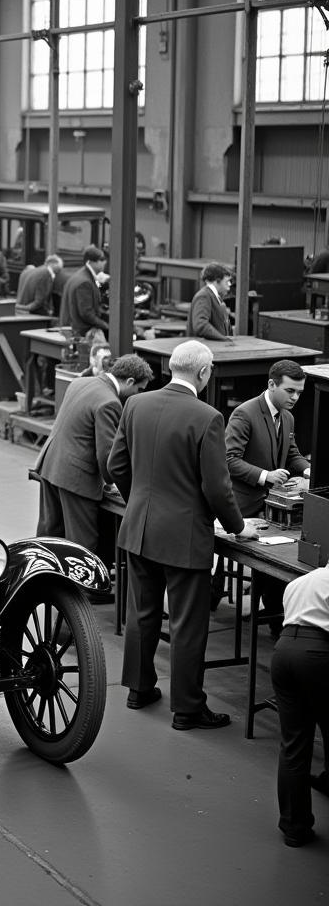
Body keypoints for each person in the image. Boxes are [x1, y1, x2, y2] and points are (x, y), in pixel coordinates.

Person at [107, 340, 259, 728]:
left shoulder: (135, 405)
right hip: (184, 536)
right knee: (187, 625)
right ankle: (187, 708)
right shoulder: (206, 417)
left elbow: (116, 464)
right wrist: (240, 527)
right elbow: (216, 488)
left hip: (139, 528)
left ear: (169, 367)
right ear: (204, 373)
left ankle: (139, 690)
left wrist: (139, 501)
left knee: (141, 613)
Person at [224, 359, 311, 632]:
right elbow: (229, 460)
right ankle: (276, 620)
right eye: (290, 391)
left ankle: (276, 618)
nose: (295, 398)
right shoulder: (244, 414)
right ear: (271, 385)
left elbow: (292, 452)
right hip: (245, 508)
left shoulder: (288, 417)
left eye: (299, 392)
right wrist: (266, 475)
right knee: (270, 563)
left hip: (272, 508)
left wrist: (309, 472)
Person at [35, 354, 153, 553]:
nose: (137, 394)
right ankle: (79, 585)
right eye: (138, 389)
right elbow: (107, 457)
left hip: (50, 465)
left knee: (49, 537)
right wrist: (117, 485)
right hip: (76, 479)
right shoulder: (109, 403)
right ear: (130, 381)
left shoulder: (80, 382)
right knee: (82, 546)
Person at [270, 564, 329, 847]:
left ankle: (294, 826)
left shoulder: (300, 582)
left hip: (283, 653)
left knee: (294, 741)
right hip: (318, 654)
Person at [59, 245, 108, 337]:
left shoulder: (81, 275)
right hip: (80, 334)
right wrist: (105, 325)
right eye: (101, 260)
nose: (104, 262)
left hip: (72, 331)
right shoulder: (85, 282)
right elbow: (86, 313)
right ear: (90, 262)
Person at [186, 262, 233, 341]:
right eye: (226, 281)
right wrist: (223, 339)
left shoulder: (214, 298)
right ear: (217, 281)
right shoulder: (204, 296)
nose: (229, 285)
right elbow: (200, 325)